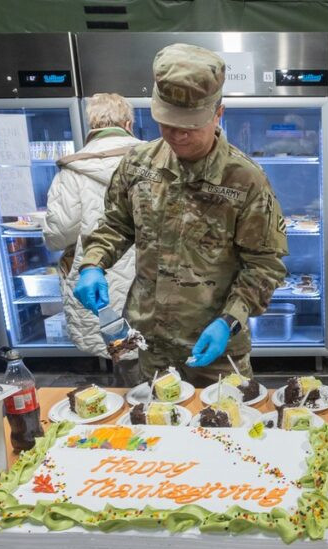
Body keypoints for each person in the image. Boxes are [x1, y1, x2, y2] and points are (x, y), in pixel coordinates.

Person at [73, 43, 287, 384]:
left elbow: (264, 265)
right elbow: (116, 224)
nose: (177, 134)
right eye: (168, 123)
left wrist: (229, 320)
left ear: (219, 113)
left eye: (190, 124)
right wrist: (93, 264)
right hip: (149, 343)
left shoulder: (245, 180)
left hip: (215, 348)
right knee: (153, 433)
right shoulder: (138, 165)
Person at [43, 93, 145, 383]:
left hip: (97, 276)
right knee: (155, 356)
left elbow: (58, 234)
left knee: (121, 350)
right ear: (128, 123)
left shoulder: (72, 170)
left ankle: (129, 409)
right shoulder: (153, 160)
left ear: (91, 124)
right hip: (151, 277)